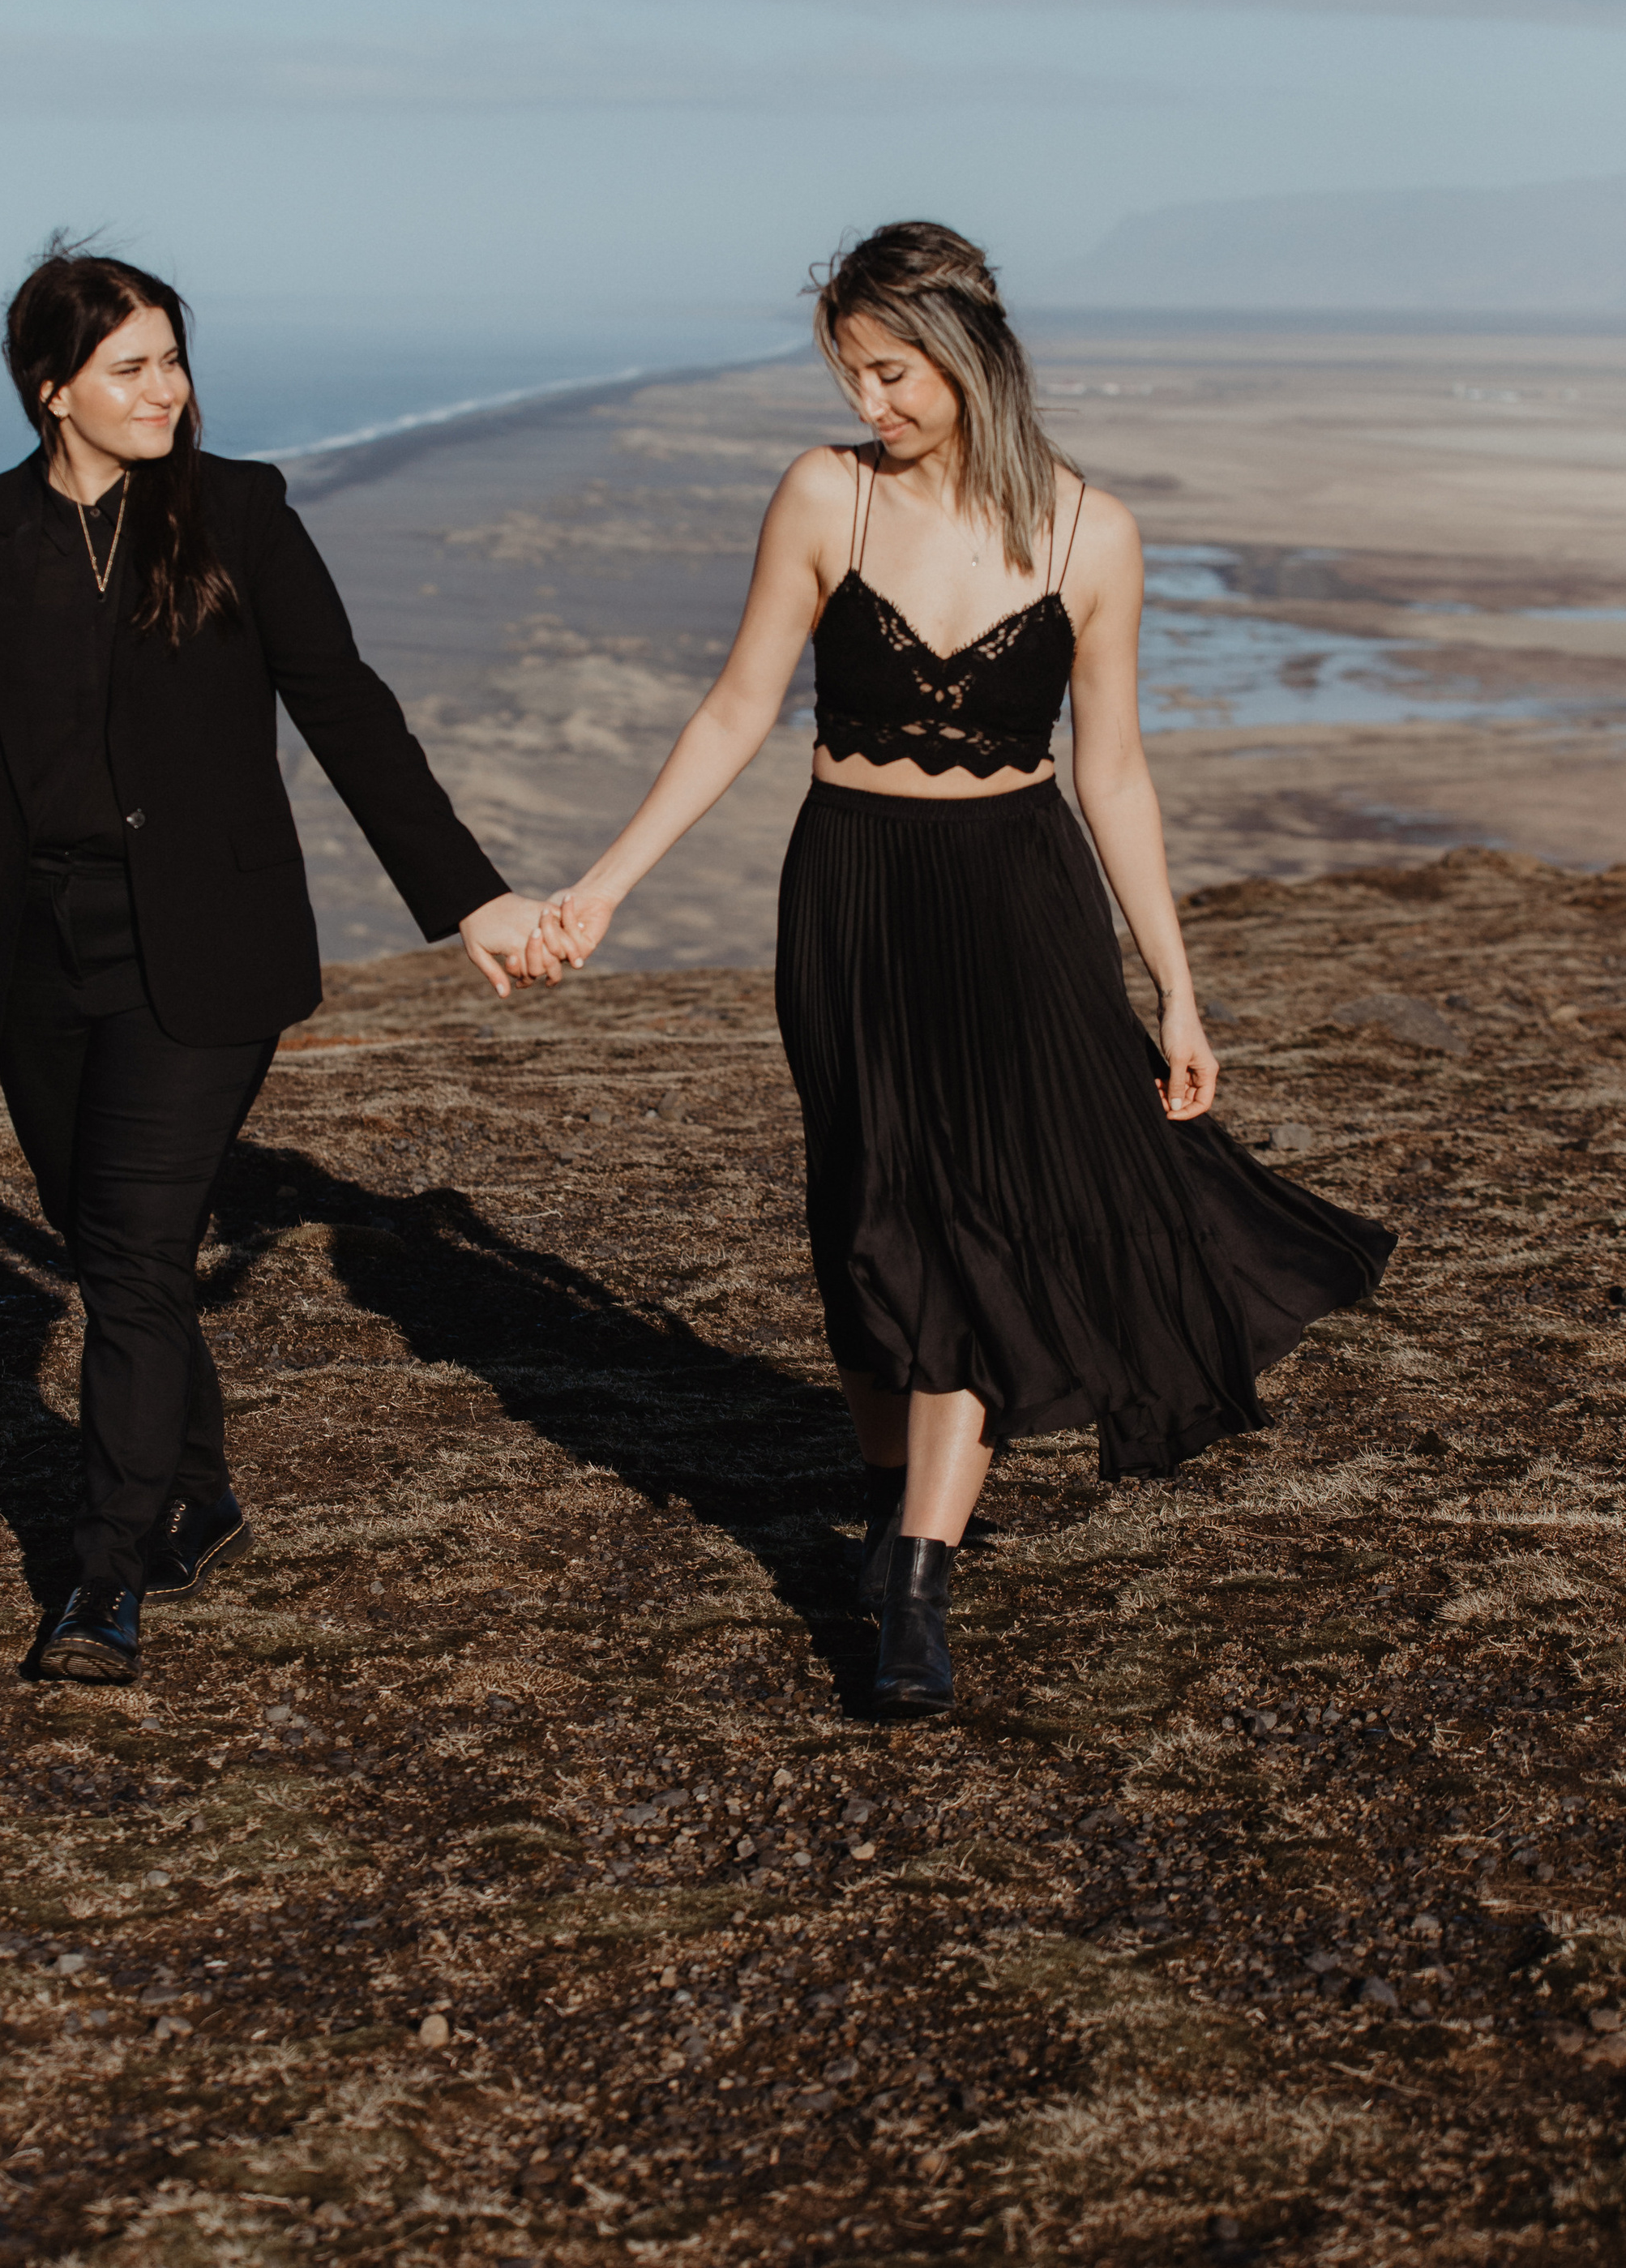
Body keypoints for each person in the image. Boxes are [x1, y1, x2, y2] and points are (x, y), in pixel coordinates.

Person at [542, 223, 1392, 1718]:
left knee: (978, 1214)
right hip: (853, 899)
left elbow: (1114, 773)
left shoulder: (1093, 535)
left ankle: (919, 1584)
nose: (871, 401)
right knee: (869, 1204)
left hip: (1020, 905)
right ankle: (896, 1510)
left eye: (893, 370)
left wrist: (1177, 988)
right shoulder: (824, 496)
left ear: (972, 351)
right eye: (851, 374)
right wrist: (604, 887)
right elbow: (739, 709)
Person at [0, 245, 557, 1685]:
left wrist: (471, 900)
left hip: (205, 946)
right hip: (35, 947)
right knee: (106, 1241)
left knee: (127, 1246)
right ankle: (200, 1486)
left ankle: (104, 1573)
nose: (166, 391)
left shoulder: (239, 509)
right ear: (51, 391)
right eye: (131, 368)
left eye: (175, 360)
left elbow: (346, 710)